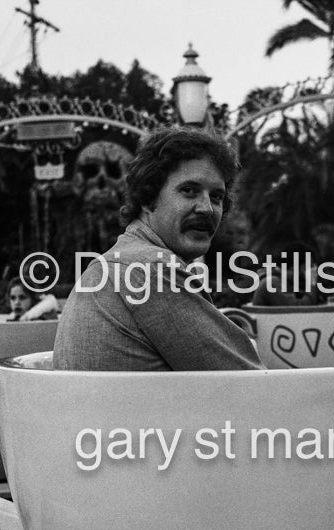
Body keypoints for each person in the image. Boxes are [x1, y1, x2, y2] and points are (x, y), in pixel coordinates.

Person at [54, 127, 262, 371]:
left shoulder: (114, 263)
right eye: (189, 191)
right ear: (147, 199)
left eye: (216, 196)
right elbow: (251, 382)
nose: (207, 208)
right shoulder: (151, 269)